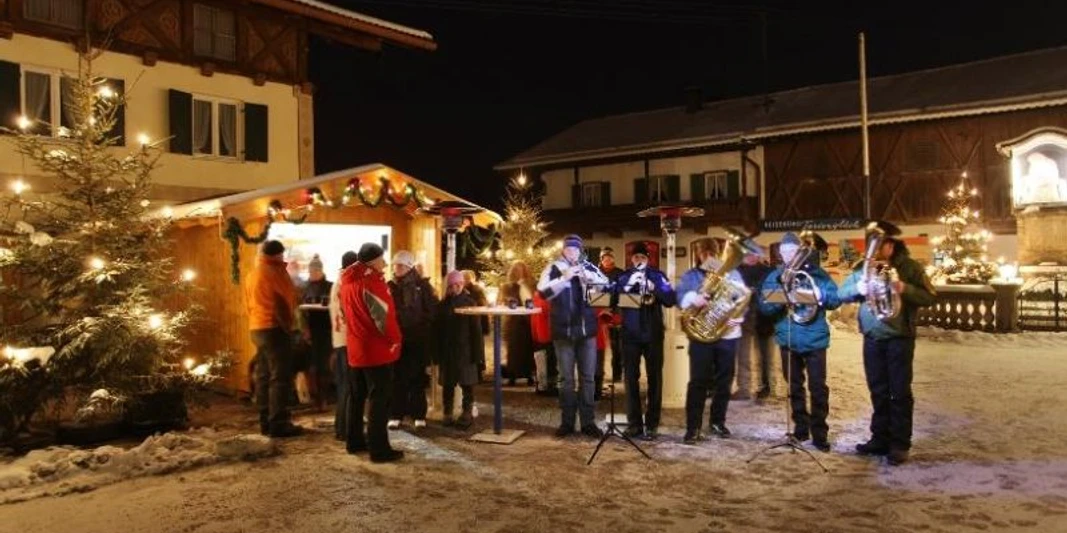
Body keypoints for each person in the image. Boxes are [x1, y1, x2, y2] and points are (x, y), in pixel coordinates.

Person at [839, 221, 937, 466]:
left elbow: (930, 296)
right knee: (878, 391)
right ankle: (879, 438)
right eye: (869, 243)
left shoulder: (910, 268)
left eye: (876, 244)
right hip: (872, 337)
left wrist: (905, 288)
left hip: (899, 338)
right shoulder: (863, 268)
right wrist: (857, 288)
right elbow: (842, 293)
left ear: (890, 245)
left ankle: (900, 443)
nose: (870, 250)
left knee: (899, 392)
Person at [759, 232, 841, 452]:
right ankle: (801, 429)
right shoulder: (776, 276)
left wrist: (814, 294)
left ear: (800, 252)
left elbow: (834, 299)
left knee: (818, 388)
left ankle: (820, 434)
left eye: (792, 252)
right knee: (794, 388)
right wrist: (785, 297)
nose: (787, 256)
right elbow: (764, 305)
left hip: (814, 338)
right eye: (783, 252)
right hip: (788, 338)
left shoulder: (817, 273)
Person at [537, 234, 609, 439]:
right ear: (563, 251)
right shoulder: (553, 268)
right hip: (563, 331)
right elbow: (542, 292)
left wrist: (590, 279)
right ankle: (567, 422)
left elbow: (607, 287)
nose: (572, 253)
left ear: (580, 251)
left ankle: (588, 422)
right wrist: (565, 277)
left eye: (576, 250)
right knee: (566, 379)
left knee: (588, 378)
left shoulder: (589, 267)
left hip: (587, 332)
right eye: (569, 250)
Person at [339, 242, 404, 463]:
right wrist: (395, 340)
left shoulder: (347, 282)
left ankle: (354, 441)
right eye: (381, 259)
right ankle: (379, 449)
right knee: (379, 399)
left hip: (356, 348)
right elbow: (383, 318)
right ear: (373, 260)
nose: (384, 263)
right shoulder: (371, 283)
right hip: (375, 350)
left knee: (357, 397)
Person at [677, 238, 744, 443]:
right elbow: (679, 296)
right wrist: (692, 298)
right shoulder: (691, 276)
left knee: (724, 381)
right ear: (698, 256)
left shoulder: (733, 274)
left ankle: (717, 421)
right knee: (698, 381)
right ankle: (693, 427)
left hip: (726, 335)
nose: (707, 258)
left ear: (717, 254)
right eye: (703, 254)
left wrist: (739, 314)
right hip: (701, 337)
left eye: (711, 254)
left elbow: (742, 298)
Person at [611, 242, 676, 440]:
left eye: (642, 257)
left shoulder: (658, 275)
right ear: (631, 259)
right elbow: (612, 299)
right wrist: (631, 284)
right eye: (636, 257)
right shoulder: (623, 277)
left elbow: (670, 299)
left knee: (655, 379)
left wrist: (654, 287)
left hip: (653, 333)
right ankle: (634, 424)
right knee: (630, 379)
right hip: (630, 334)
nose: (639, 260)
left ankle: (652, 424)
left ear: (648, 259)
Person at [244, 240, 302, 438]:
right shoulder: (274, 273)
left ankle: (265, 420)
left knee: (264, 375)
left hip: (257, 327)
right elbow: (283, 302)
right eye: (282, 255)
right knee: (280, 377)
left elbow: (248, 302)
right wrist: (288, 327)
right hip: (274, 327)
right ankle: (279, 422)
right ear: (277, 254)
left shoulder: (254, 273)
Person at [387, 250, 438, 430]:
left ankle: (418, 414)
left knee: (417, 377)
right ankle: (396, 414)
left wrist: (422, 326)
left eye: (400, 265)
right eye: (395, 265)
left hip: (417, 338)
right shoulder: (390, 286)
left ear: (408, 267)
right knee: (397, 377)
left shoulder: (422, 286)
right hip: (397, 338)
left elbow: (431, 311)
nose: (396, 268)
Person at [435, 270, 485, 429]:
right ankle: (447, 412)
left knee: (467, 385)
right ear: (448, 286)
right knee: (448, 385)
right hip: (448, 351)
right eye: (452, 285)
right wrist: (436, 354)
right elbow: (437, 331)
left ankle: (466, 413)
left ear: (462, 285)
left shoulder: (470, 303)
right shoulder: (442, 305)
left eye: (458, 284)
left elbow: (476, 332)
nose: (455, 287)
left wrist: (479, 356)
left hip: (466, 351)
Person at [735, 250, 776, 401]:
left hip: (764, 317)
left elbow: (774, 292)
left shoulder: (769, 271)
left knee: (766, 356)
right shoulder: (736, 271)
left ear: (759, 256)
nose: (751, 257)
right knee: (742, 355)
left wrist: (756, 291)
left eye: (754, 254)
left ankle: (766, 388)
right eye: (747, 254)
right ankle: (744, 389)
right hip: (742, 316)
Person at [328, 250, 359, 440]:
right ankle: (345, 429)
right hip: (348, 340)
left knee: (343, 385)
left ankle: (341, 427)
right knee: (350, 386)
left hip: (339, 339)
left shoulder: (337, 283)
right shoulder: (348, 283)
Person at [300, 254, 333, 411]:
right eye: (310, 271)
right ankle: (314, 398)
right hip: (309, 331)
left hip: (325, 330)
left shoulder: (330, 286)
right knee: (310, 366)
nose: (312, 273)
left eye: (315, 271)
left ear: (320, 271)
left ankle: (324, 398)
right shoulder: (304, 287)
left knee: (323, 366)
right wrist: (304, 329)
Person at [502, 261, 536, 386]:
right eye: (517, 270)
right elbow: (507, 300)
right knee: (514, 350)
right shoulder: (508, 286)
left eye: (522, 270)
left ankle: (529, 375)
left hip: (528, 321)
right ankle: (513, 375)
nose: (519, 272)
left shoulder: (532, 284)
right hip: (514, 322)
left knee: (528, 349)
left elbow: (533, 299)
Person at [598, 248, 624, 385]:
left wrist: (615, 309)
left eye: (609, 258)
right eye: (604, 258)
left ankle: (617, 373)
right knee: (599, 344)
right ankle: (598, 373)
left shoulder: (620, 273)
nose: (607, 260)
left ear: (613, 259)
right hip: (599, 310)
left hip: (615, 310)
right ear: (601, 260)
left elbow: (623, 292)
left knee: (616, 344)